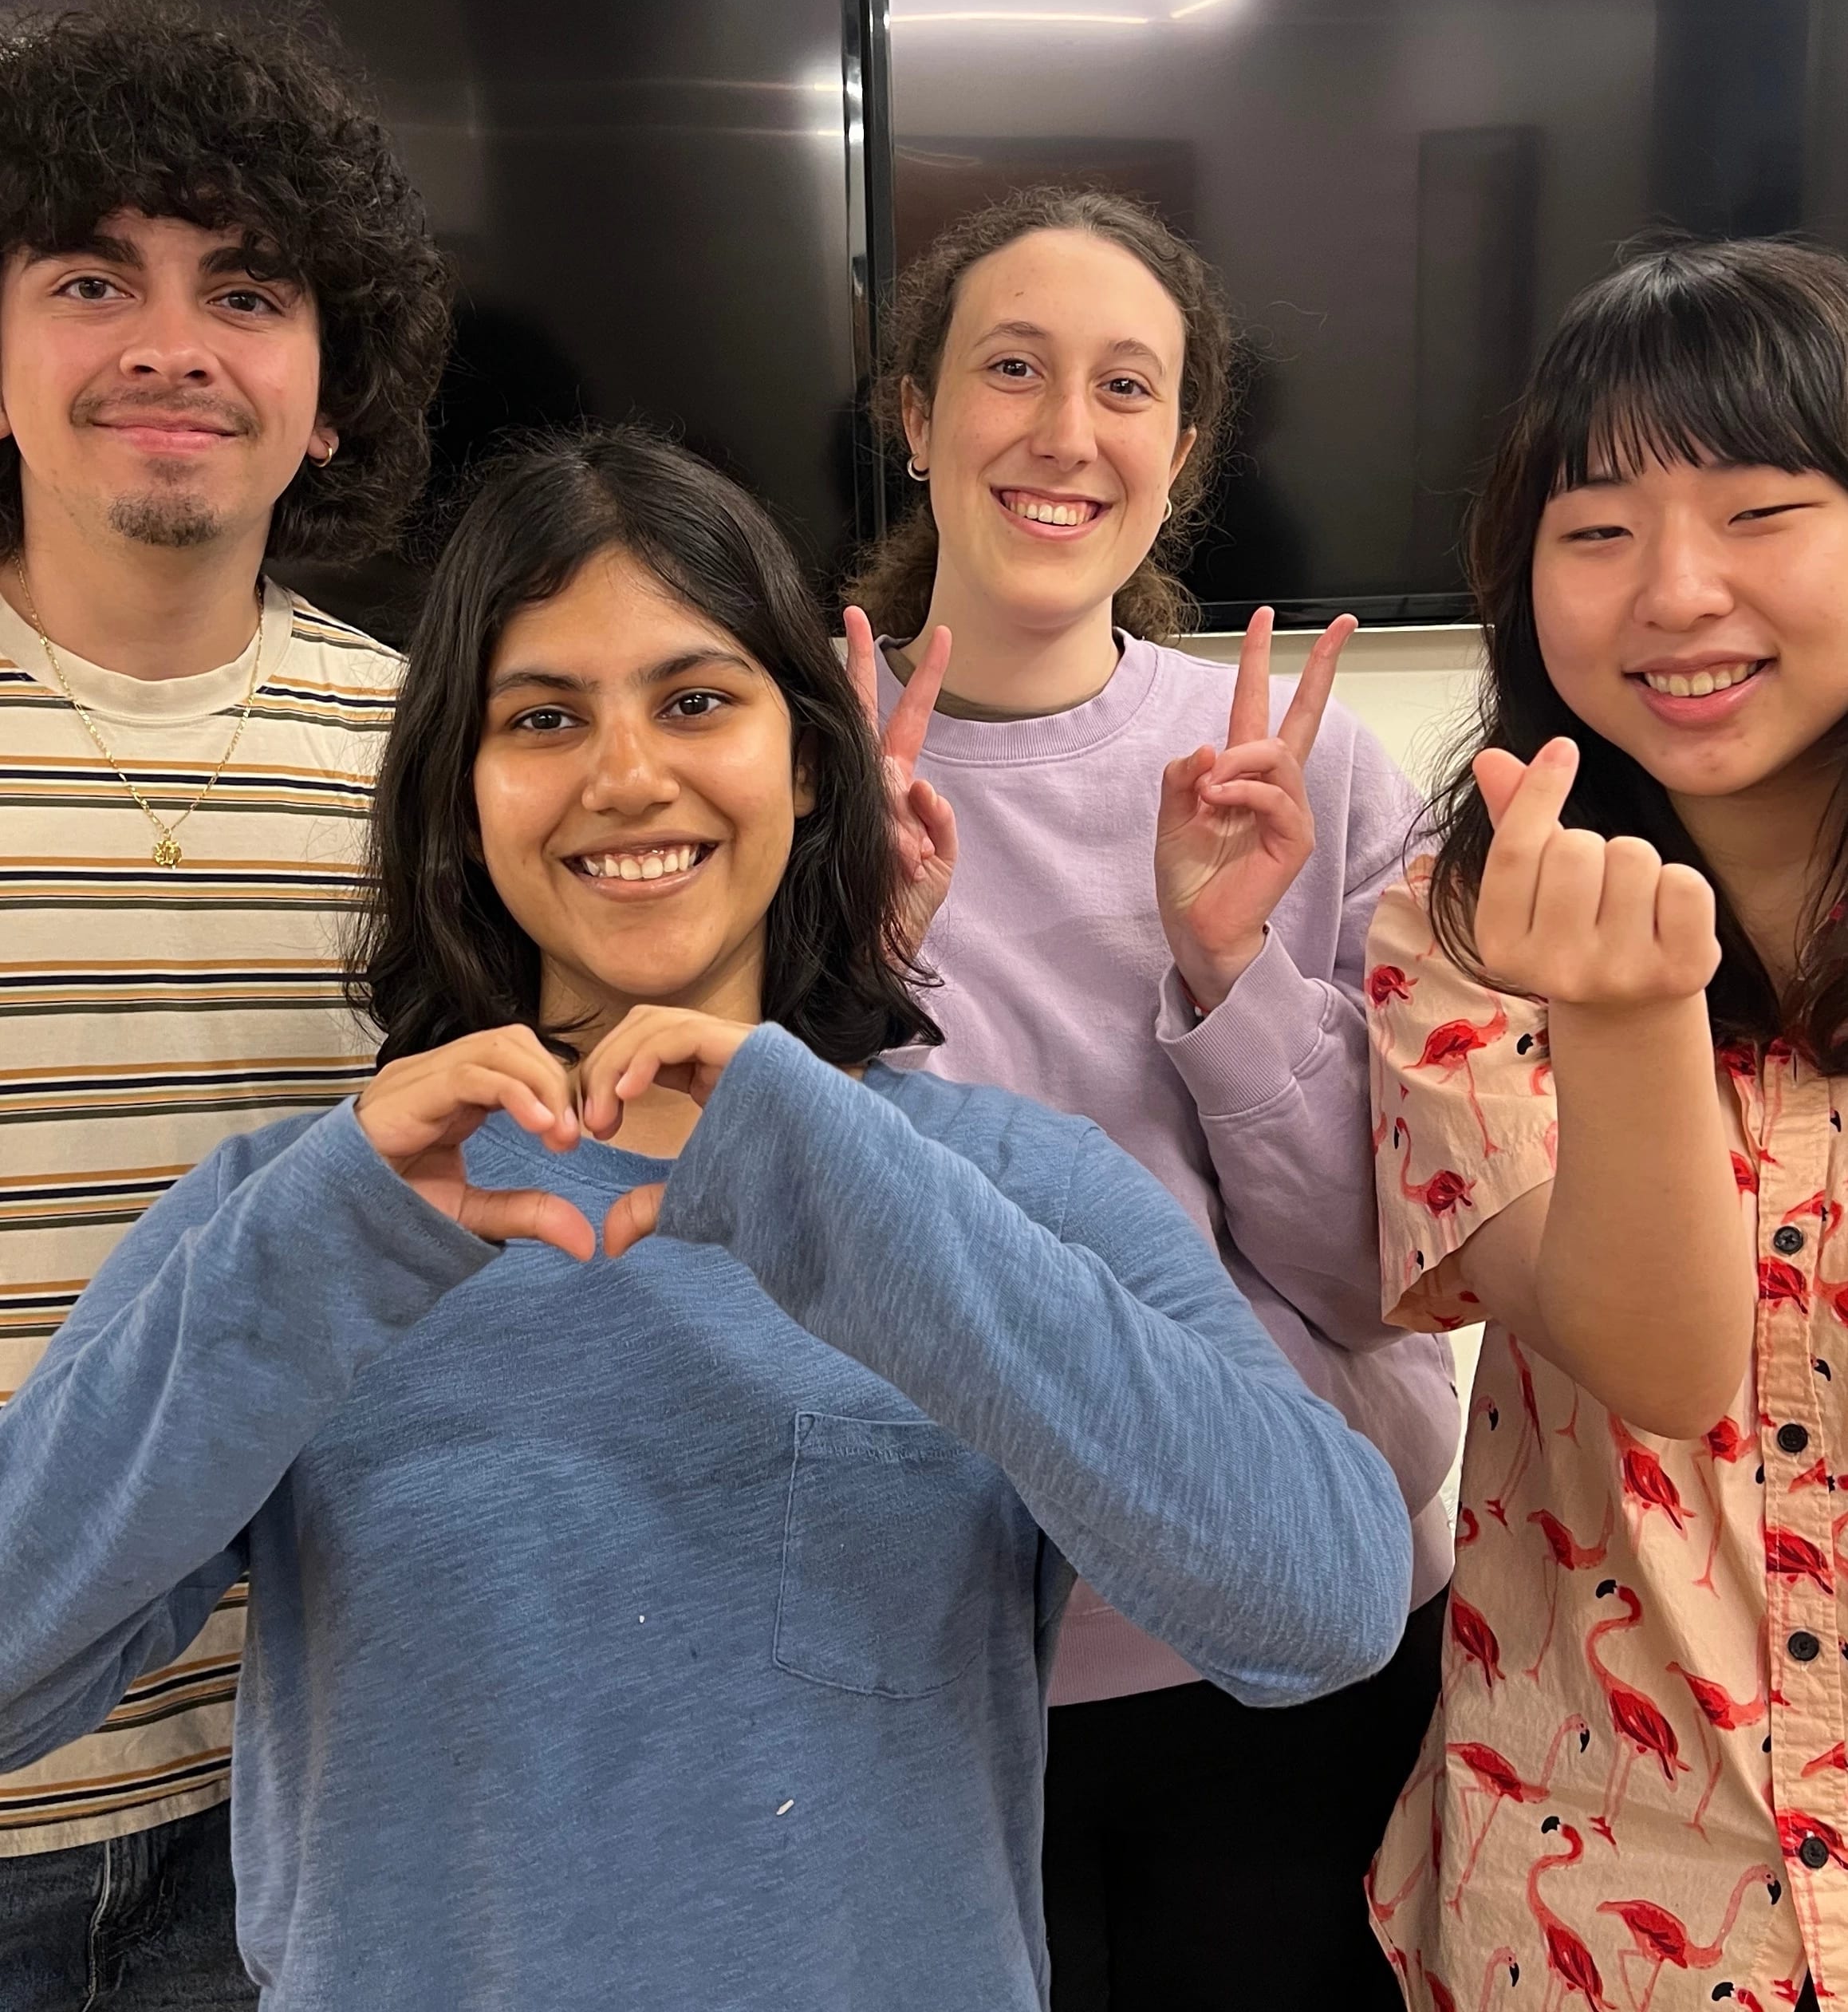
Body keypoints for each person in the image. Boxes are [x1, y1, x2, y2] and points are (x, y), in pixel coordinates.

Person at [0, 427, 1411, 2011]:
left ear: (806, 764)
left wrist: (832, 1182)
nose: (626, 773)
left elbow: (1322, 1600)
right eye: (542, 716)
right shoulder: (303, 1206)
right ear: (460, 795)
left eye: (695, 699)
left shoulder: (1012, 1183)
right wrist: (321, 1248)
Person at [842, 186, 1460, 2010]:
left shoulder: (1301, 765)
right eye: (1009, 367)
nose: (1061, 431)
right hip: (911, 1653)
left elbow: (1381, 1275)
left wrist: (1227, 970)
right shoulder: (772, 746)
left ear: (1181, 450)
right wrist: (849, 974)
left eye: (1125, 386)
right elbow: (740, 1237)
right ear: (912, 412)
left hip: (1290, 1636)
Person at [0, 0, 448, 2004]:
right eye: (96, 275)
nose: (172, 344)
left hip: (307, 1781)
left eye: (247, 291)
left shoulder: (446, 764)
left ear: (333, 383)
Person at [1365, 236, 1848, 2012]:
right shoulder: (1465, 923)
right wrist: (1632, 1016)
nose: (1673, 589)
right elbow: (1656, 1358)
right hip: (1606, 1901)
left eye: (1760, 508)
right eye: (1596, 528)